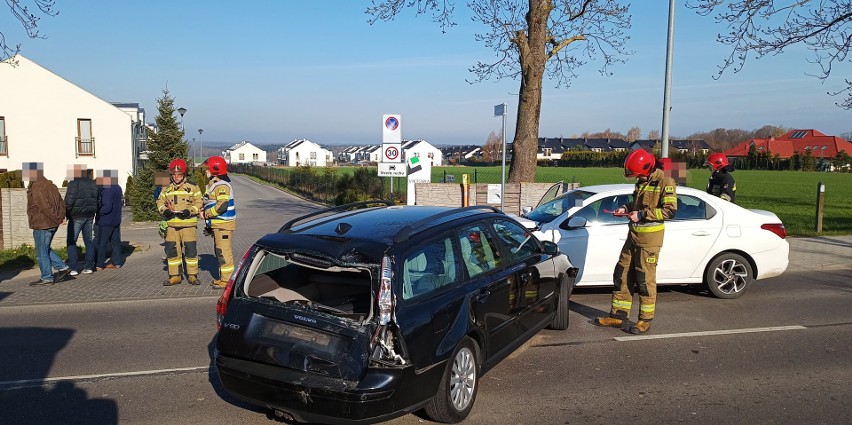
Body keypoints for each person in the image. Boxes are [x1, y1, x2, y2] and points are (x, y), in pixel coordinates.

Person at [595, 149, 677, 334]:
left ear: (647, 168)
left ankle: (644, 321)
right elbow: (636, 204)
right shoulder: (642, 181)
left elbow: (670, 211)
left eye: (637, 174)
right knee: (622, 274)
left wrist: (641, 215)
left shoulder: (665, 181)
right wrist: (625, 208)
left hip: (649, 241)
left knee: (645, 280)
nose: (636, 178)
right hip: (632, 237)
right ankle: (618, 316)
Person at [24, 162, 72, 286]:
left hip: (42, 224)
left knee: (41, 253)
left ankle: (47, 277)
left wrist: (57, 218)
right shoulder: (51, 185)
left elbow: (44, 207)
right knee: (45, 249)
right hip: (50, 224)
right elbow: (62, 203)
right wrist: (60, 217)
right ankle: (62, 267)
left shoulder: (37, 186)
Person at [157, 159, 202, 286]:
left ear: (184, 174)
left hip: (188, 225)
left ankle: (192, 275)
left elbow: (199, 202)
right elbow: (159, 202)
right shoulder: (166, 188)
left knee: (190, 251)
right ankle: (175, 276)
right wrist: (164, 211)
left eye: (179, 174)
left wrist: (190, 211)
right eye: (174, 174)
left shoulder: (193, 187)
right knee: (171, 251)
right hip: (171, 225)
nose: (176, 177)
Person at [200, 156, 236, 289]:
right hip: (218, 225)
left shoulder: (221, 186)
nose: (205, 171)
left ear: (214, 170)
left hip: (223, 225)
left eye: (207, 169)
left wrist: (206, 214)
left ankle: (227, 281)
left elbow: (222, 206)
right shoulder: (214, 184)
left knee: (224, 252)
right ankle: (223, 278)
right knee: (220, 252)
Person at [64, 164, 98, 275]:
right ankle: (89, 266)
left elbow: (69, 200)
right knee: (88, 241)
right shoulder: (93, 184)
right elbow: (98, 199)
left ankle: (73, 268)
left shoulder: (73, 184)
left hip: (75, 217)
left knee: (71, 241)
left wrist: (65, 214)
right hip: (89, 216)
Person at [95, 170, 124, 270]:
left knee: (102, 243)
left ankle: (99, 264)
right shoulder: (118, 188)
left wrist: (98, 211)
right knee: (115, 242)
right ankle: (117, 262)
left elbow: (107, 207)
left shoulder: (107, 189)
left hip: (106, 220)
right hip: (116, 219)